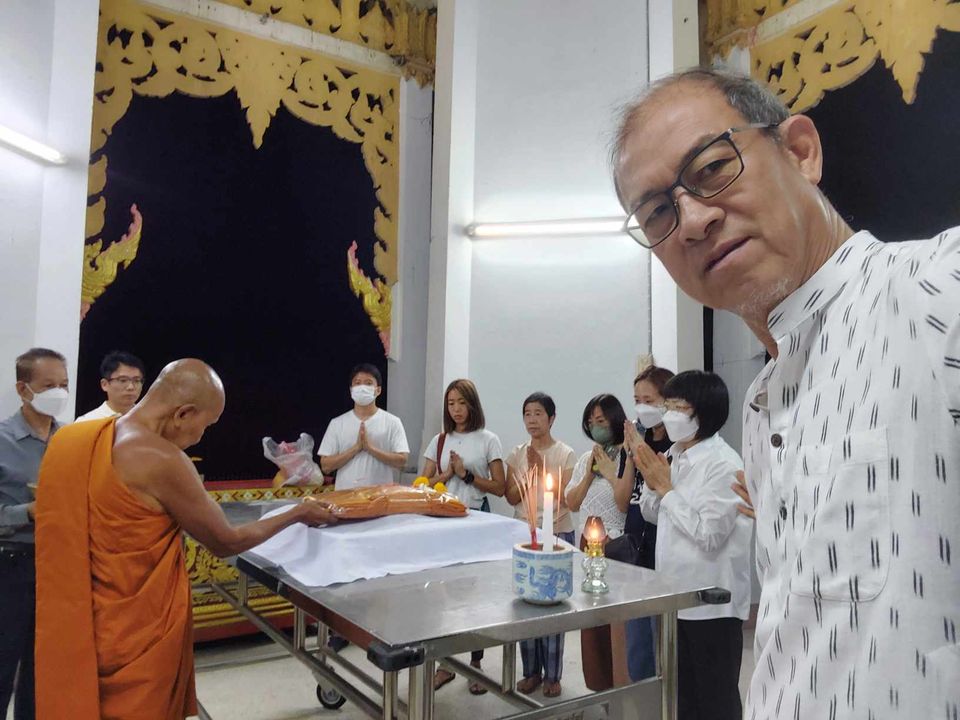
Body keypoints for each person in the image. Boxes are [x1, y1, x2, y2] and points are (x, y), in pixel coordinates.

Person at [612, 67, 959, 718]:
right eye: (657, 212)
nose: (692, 221)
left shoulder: (936, 292)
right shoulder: (763, 400)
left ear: (800, 152)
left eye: (713, 168)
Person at [33, 359, 339, 719]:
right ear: (183, 413)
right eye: (206, 425)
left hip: (84, 622)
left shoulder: (79, 438)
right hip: (138, 634)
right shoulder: (161, 458)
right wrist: (298, 512)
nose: (201, 436)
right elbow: (226, 541)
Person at [635, 370, 751, 719]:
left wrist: (667, 491)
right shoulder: (676, 455)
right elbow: (656, 515)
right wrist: (655, 486)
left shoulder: (723, 464)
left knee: (715, 701)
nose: (669, 415)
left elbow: (709, 535)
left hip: (712, 603)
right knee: (683, 698)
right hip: (676, 597)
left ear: (705, 412)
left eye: (678, 407)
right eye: (667, 406)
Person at [423, 378, 505, 695]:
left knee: (474, 595)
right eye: (451, 403)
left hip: (474, 522)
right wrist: (447, 474)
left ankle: (475, 665)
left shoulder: (488, 439)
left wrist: (467, 475)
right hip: (442, 523)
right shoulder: (440, 440)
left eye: (461, 403)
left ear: (473, 404)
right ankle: (445, 664)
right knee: (441, 594)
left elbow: (499, 486)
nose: (456, 409)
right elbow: (422, 484)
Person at [0, 348, 69, 720]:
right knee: (2, 664)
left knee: (42, 670)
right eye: (48, 386)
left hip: (57, 567)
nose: (58, 393)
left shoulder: (70, 440)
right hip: (10, 565)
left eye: (63, 385)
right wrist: (26, 511)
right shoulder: (2, 439)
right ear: (22, 389)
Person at [504, 392, 577, 698]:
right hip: (525, 531)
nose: (532, 420)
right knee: (526, 605)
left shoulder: (565, 454)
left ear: (551, 418)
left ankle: (553, 674)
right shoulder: (517, 453)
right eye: (527, 414)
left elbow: (567, 499)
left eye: (538, 414)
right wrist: (527, 473)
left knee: (553, 604)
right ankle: (531, 671)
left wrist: (543, 468)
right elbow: (510, 496)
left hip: (557, 532)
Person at [565, 393, 633, 691]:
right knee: (591, 620)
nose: (595, 426)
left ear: (615, 420)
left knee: (615, 622)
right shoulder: (586, 458)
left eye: (601, 420)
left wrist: (608, 471)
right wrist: (589, 476)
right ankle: (597, 686)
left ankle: (620, 688)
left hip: (614, 544)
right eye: (591, 422)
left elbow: (623, 503)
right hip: (586, 543)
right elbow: (571, 502)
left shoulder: (627, 456)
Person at [621, 364, 675, 682]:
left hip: (663, 544)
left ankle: (667, 695)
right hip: (635, 543)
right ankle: (640, 694)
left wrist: (641, 453)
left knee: (664, 635)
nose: (642, 408)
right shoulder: (636, 439)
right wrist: (631, 456)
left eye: (649, 401)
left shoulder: (677, 446)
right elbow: (623, 498)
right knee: (637, 638)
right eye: (637, 401)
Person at [317, 363, 409, 490]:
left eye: (368, 383)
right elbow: (326, 466)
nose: (362, 387)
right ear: (351, 390)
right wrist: (355, 448)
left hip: (380, 496)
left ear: (378, 390)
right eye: (357, 383)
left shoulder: (392, 422)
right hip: (345, 495)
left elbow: (402, 461)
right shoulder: (337, 423)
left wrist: (370, 448)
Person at [75, 350, 145, 422]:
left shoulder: (149, 420)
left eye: (137, 381)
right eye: (123, 380)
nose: (131, 387)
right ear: (104, 384)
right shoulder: (87, 421)